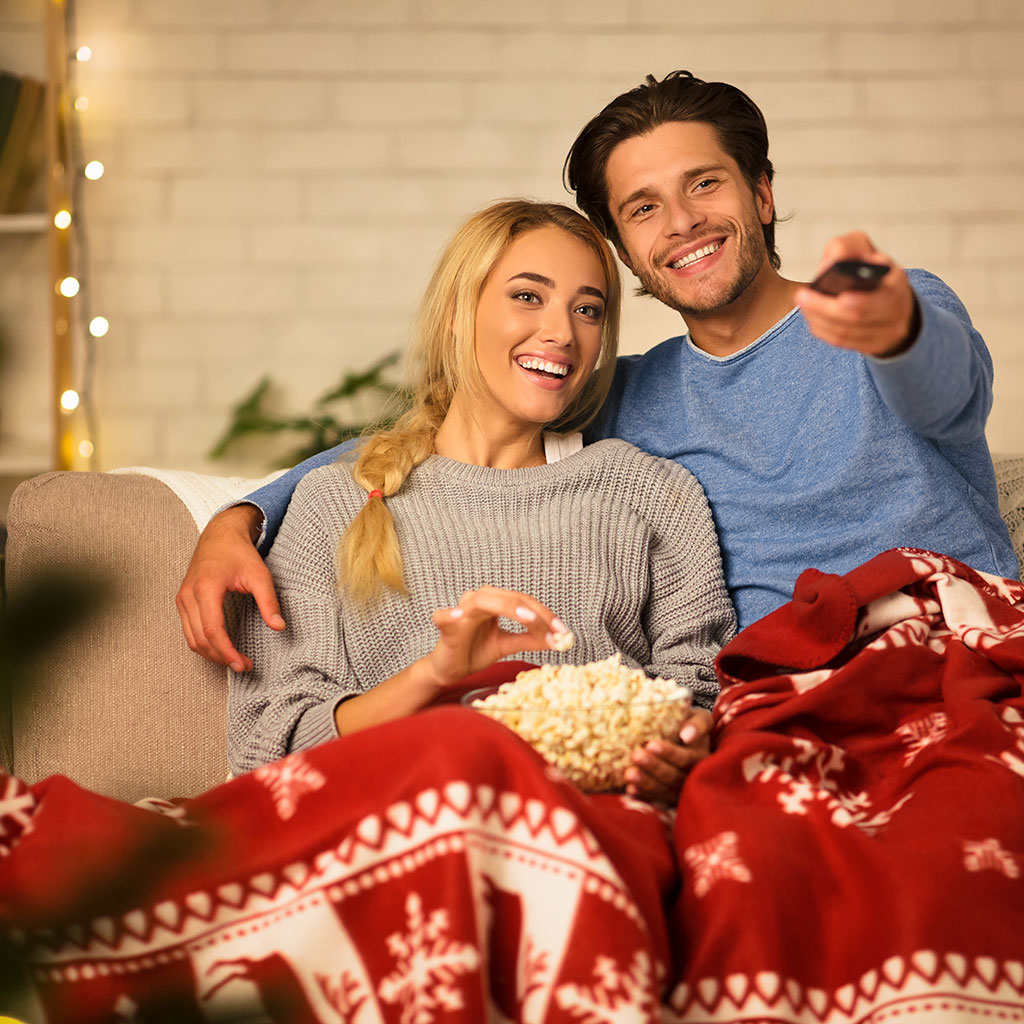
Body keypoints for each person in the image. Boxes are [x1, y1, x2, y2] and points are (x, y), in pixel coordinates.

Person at [177, 69, 1018, 662]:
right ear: (624, 250)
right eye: (645, 208)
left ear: (761, 194)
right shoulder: (631, 397)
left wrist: (895, 323)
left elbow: (948, 388)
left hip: (954, 653)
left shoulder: (892, 314)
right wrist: (240, 518)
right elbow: (432, 441)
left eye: (706, 185)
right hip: (780, 703)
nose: (683, 222)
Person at [226, 198, 736, 805]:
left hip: (593, 822)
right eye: (527, 296)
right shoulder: (334, 501)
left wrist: (680, 745)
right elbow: (269, 742)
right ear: (456, 315)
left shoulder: (652, 494)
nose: (561, 332)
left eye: (588, 309)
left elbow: (699, 693)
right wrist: (436, 677)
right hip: (402, 815)